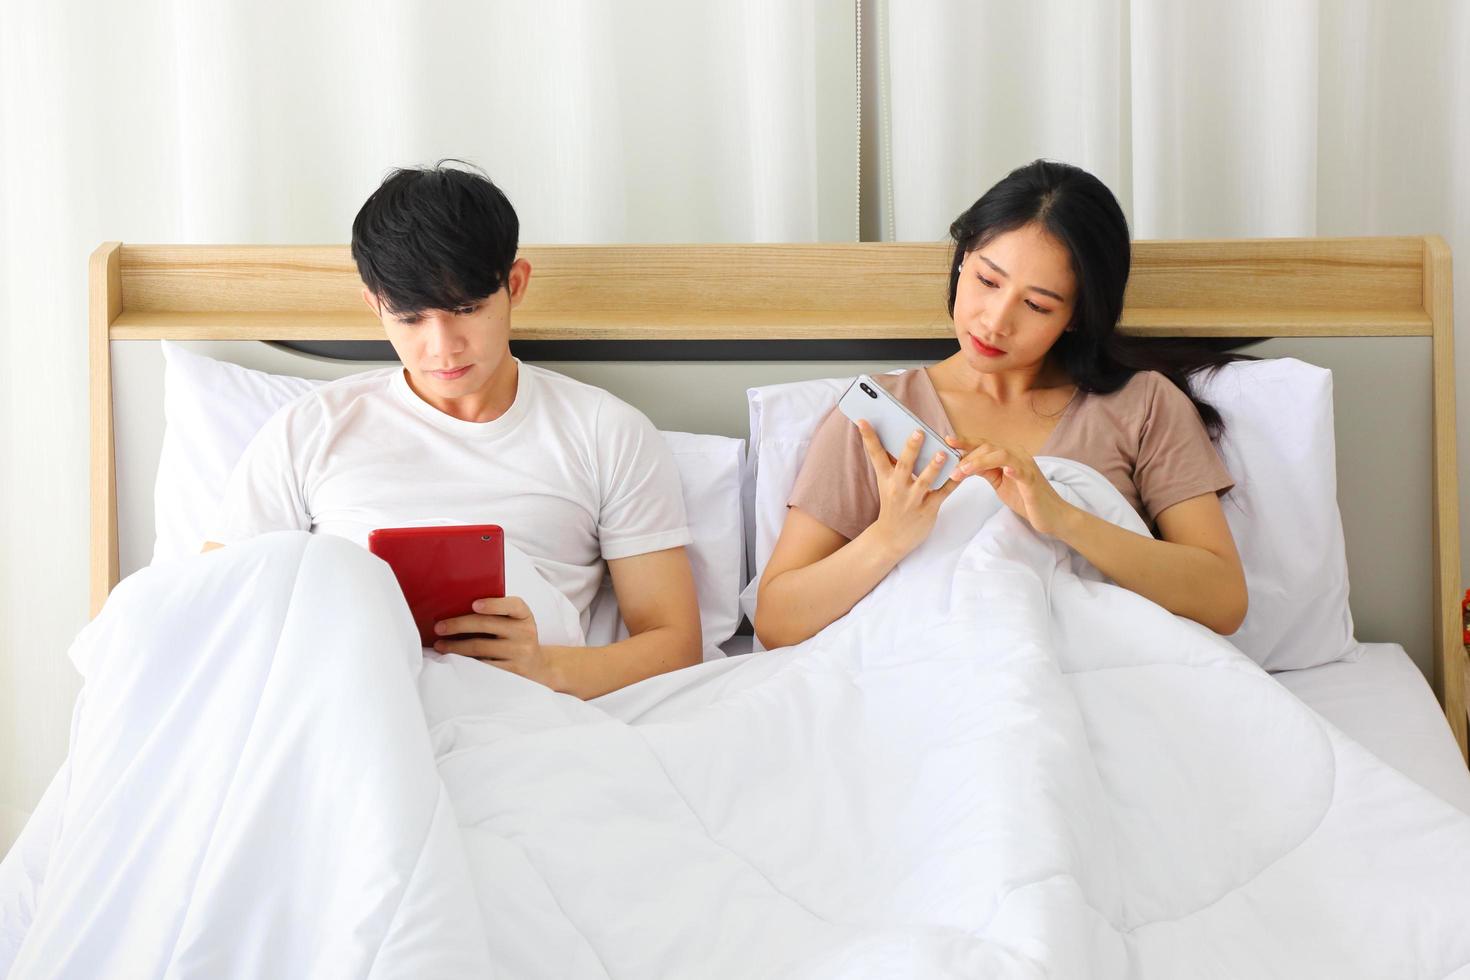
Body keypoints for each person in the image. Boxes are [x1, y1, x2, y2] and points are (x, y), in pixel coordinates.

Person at [204, 162, 701, 698]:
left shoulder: (605, 432)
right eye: (411, 318)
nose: (442, 348)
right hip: (343, 695)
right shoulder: (310, 429)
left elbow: (674, 644)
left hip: (520, 707)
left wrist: (546, 669)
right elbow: (216, 607)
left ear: (515, 284)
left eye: (466, 309)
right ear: (374, 304)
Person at [754, 159, 1249, 650]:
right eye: (987, 281)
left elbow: (1223, 601)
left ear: (1076, 316)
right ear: (964, 257)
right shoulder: (877, 416)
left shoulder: (1142, 405)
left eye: (1036, 305)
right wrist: (889, 537)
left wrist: (1062, 518)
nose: (995, 322)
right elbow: (777, 621)